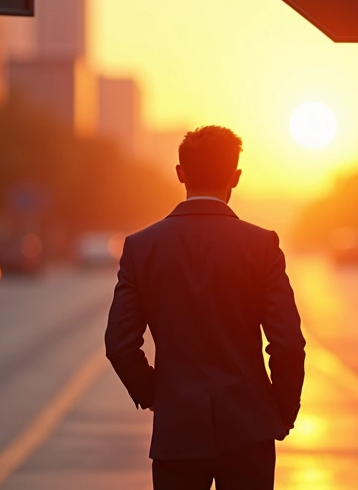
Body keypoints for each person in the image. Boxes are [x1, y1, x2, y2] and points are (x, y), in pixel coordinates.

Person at [105, 126, 306, 490]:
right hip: (249, 430)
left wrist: (154, 395)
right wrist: (281, 412)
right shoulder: (261, 245)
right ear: (236, 177)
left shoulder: (141, 247)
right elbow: (288, 343)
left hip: (177, 430)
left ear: (180, 173)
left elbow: (120, 344)